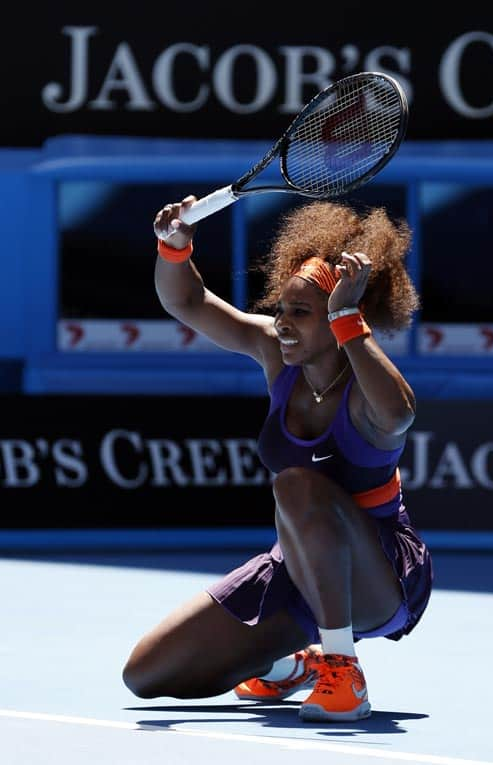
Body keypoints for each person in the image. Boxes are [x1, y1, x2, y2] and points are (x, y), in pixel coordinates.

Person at [122, 195, 433, 723]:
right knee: (148, 673)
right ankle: (294, 664)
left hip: (378, 576)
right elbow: (190, 304)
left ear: (339, 317)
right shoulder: (275, 352)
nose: (283, 323)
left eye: (301, 313)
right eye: (281, 309)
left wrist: (347, 321)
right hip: (295, 571)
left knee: (295, 485)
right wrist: (174, 249)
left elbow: (399, 413)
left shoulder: (365, 387)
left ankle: (343, 670)